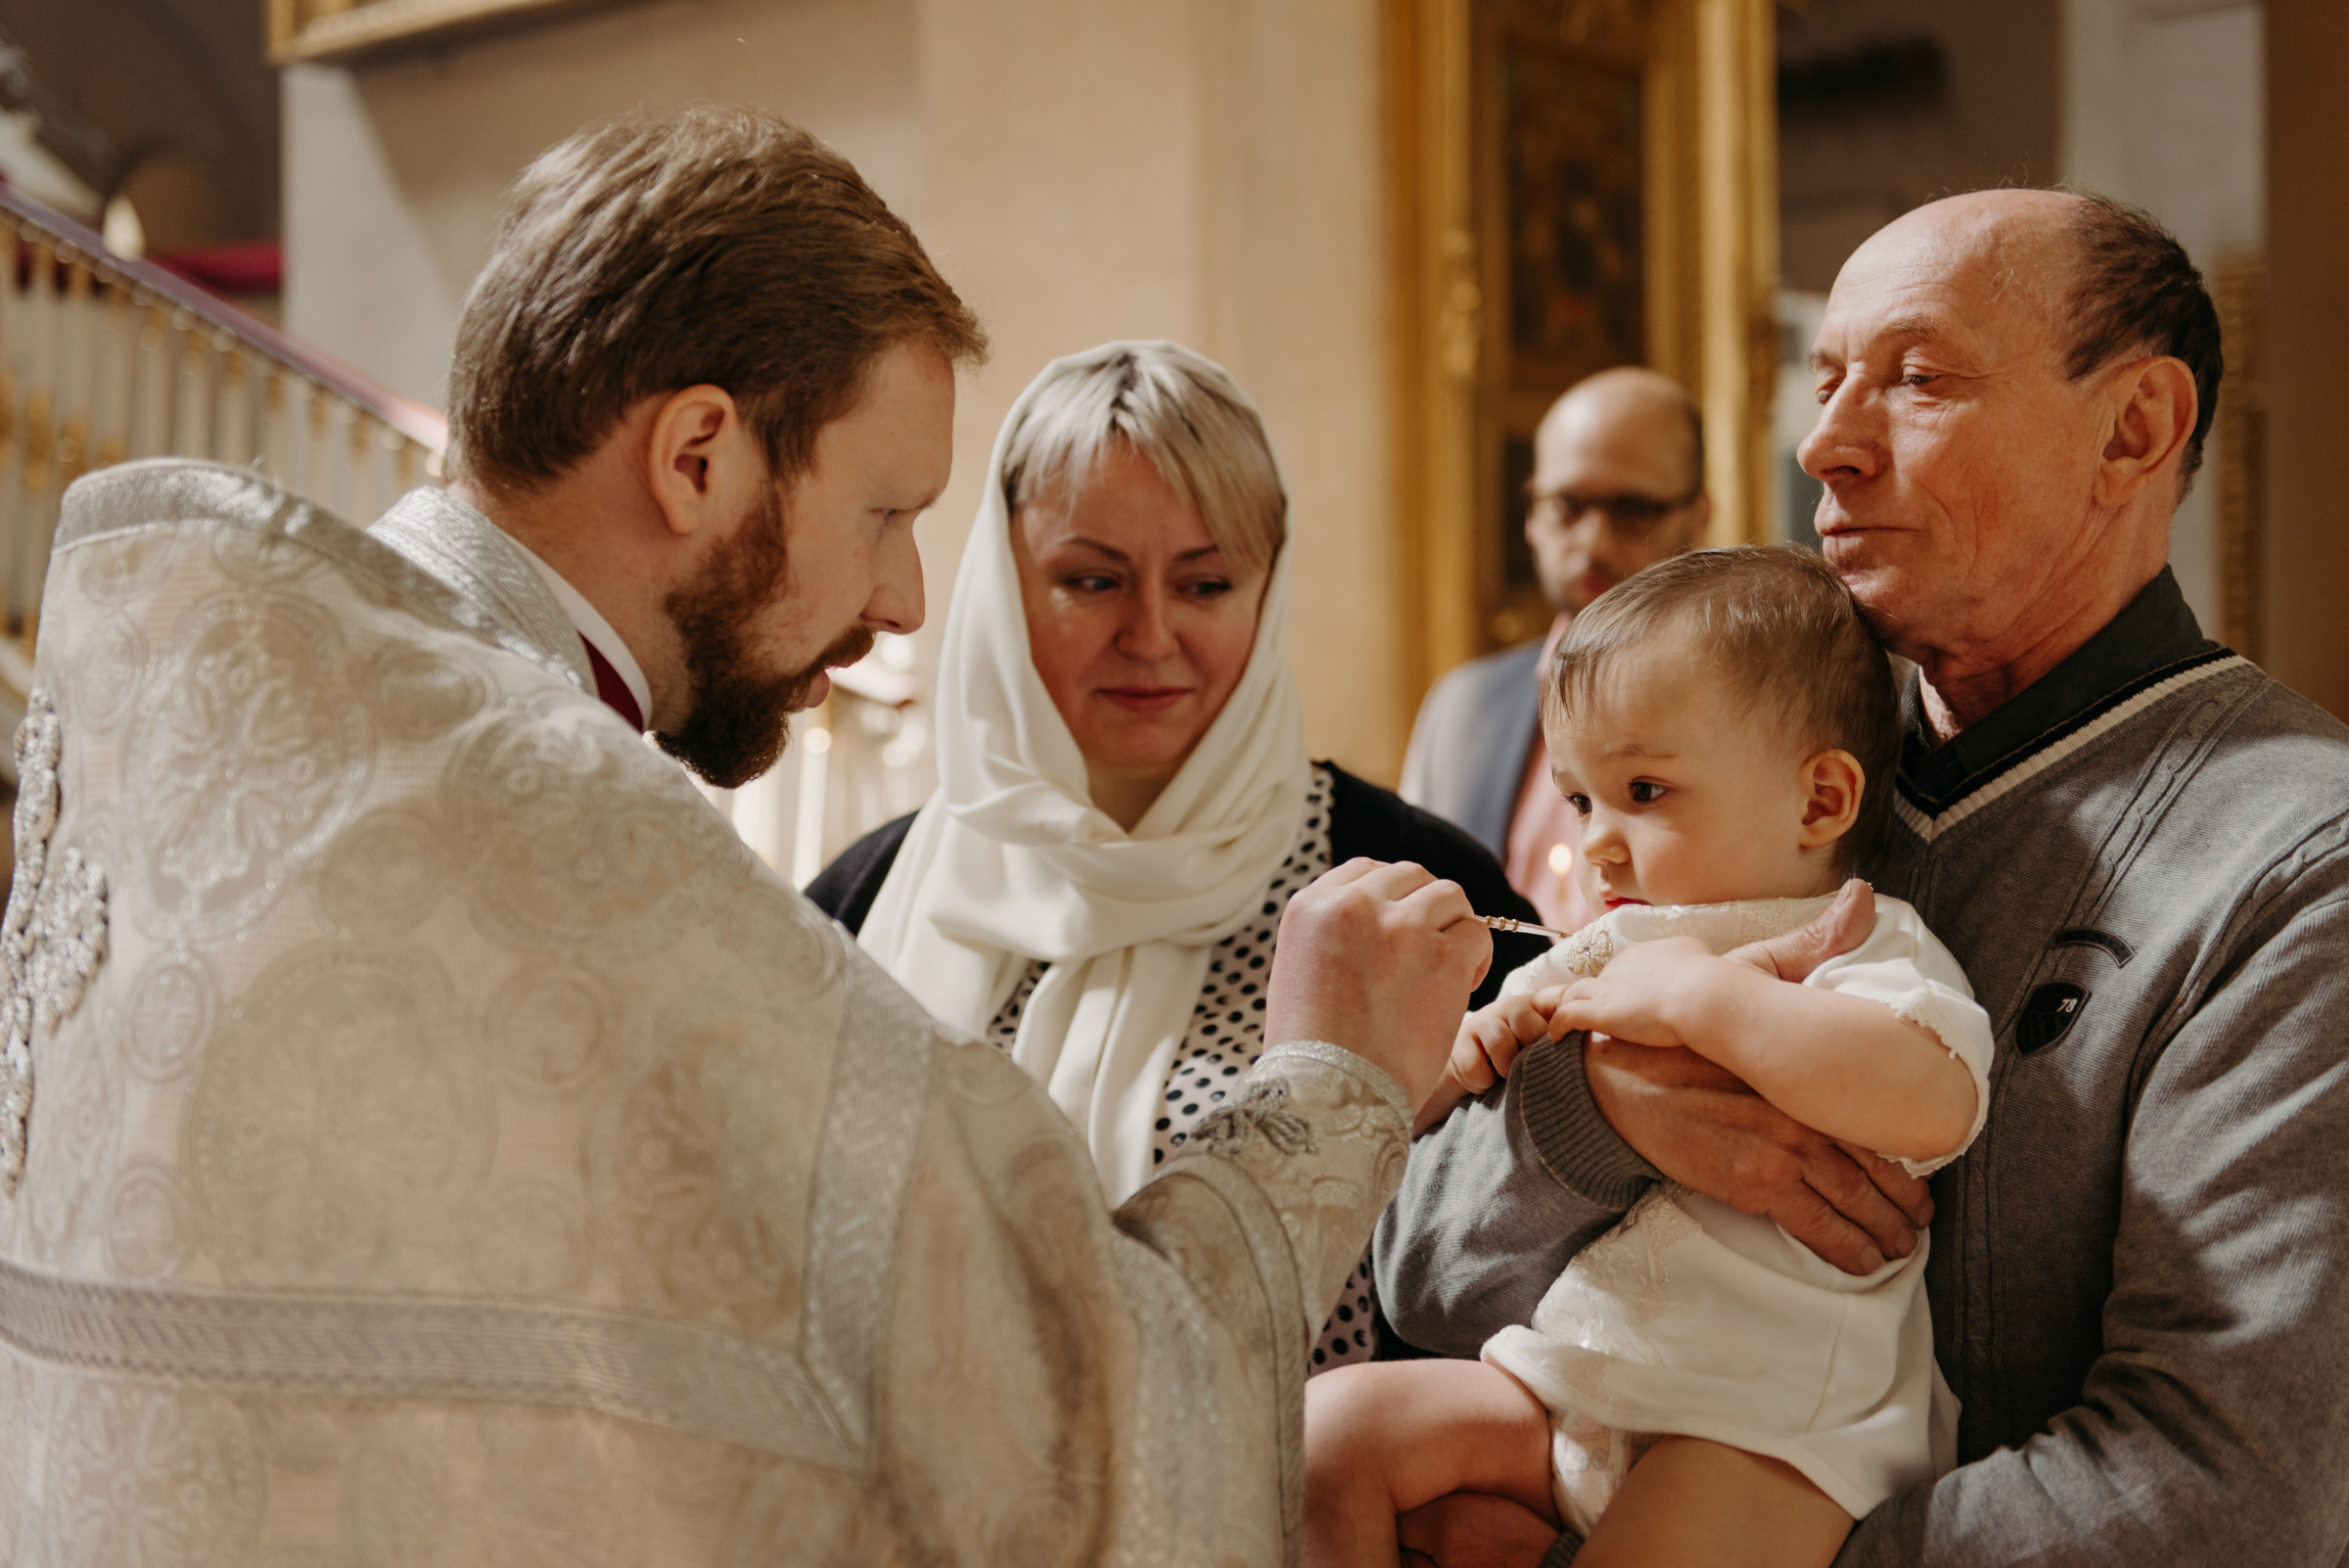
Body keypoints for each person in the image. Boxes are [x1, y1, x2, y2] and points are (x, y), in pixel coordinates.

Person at [0, 109, 1494, 1564]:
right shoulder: (579, 843)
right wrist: (1328, 1090)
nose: (905, 599)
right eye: (884, 512)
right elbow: (1083, 1431)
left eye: (1207, 579)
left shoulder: (234, 735)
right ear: (699, 457)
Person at [1376, 189, 2349, 1567]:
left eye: (1918, 378)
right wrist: (1603, 1114)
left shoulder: (2301, 860)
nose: (1823, 442)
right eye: (1827, 379)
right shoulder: (1721, 783)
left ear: (2134, 429)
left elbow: (2227, 1492)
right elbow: (1419, 1271)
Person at [809, 341, 1543, 1373]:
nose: (1150, 635)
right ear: (1004, 586)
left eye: (1205, 584)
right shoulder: (862, 901)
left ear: (1267, 590)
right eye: (1092, 580)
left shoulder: (1412, 894)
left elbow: (1524, 1278)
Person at [1308, 548, 1991, 1568]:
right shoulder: (1611, 942)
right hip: (1577, 1373)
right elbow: (1414, 1127)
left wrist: (1705, 1000)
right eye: (1582, 800)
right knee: (1326, 1439)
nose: (1595, 844)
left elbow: (1935, 1101)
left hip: (1765, 1433)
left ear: (1820, 801)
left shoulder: (1856, 938)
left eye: (1644, 789)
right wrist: (1470, 1051)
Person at [1401, 367, 1710, 934]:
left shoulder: (1739, 705)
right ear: (1531, 515)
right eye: (1568, 506)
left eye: (1633, 510)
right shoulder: (1460, 707)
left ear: (1700, 515)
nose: (1593, 542)